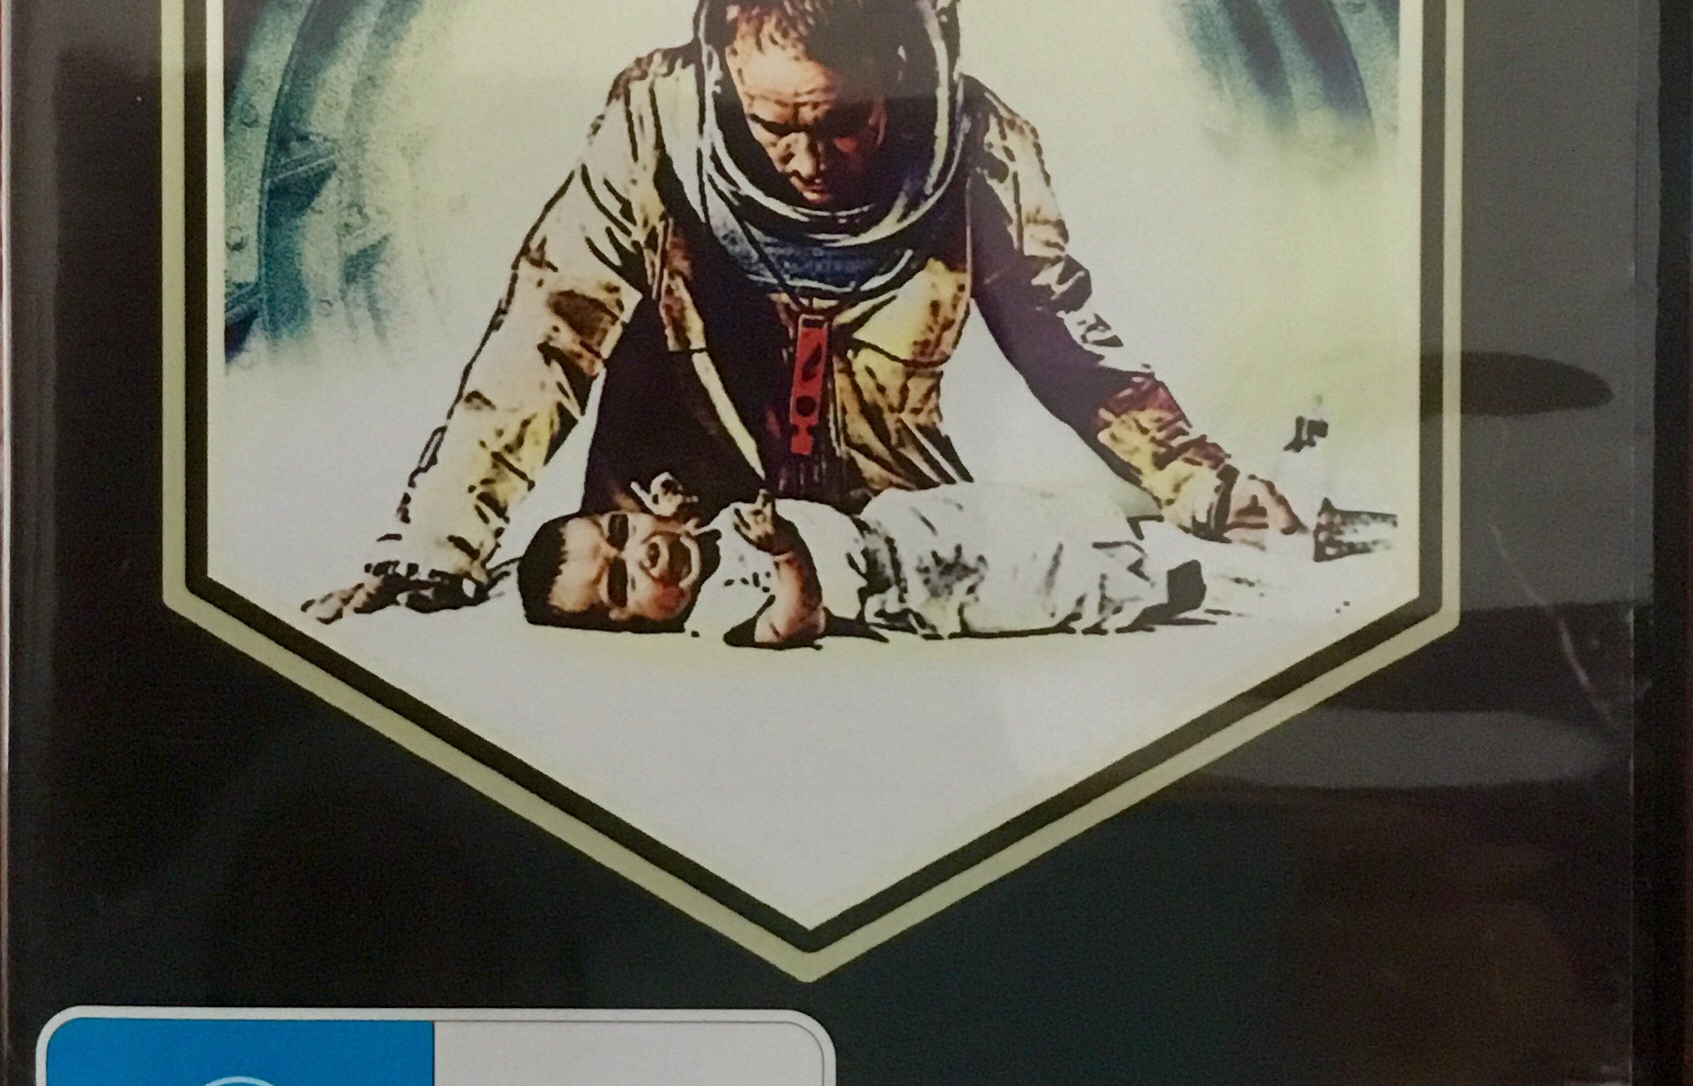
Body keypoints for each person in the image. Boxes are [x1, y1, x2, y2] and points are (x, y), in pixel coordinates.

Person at [339, 0, 1299, 617]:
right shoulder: (652, 124)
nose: (807, 160)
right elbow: (548, 329)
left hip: (885, 535)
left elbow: (1059, 340)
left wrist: (1199, 481)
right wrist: (437, 541)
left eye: (842, 123)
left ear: (896, 75)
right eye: (773, 125)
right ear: (726, 83)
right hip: (674, 528)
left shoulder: (978, 146)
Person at [310, 477, 1211, 648]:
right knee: (1030, 582)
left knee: (1023, 507)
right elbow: (793, 621)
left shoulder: (694, 532)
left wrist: (676, 511)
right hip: (911, 586)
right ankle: (1144, 591)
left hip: (898, 516)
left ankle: (1145, 522)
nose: (640, 551)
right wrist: (786, 555)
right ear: (635, 623)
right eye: (622, 584)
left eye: (620, 530)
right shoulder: (713, 614)